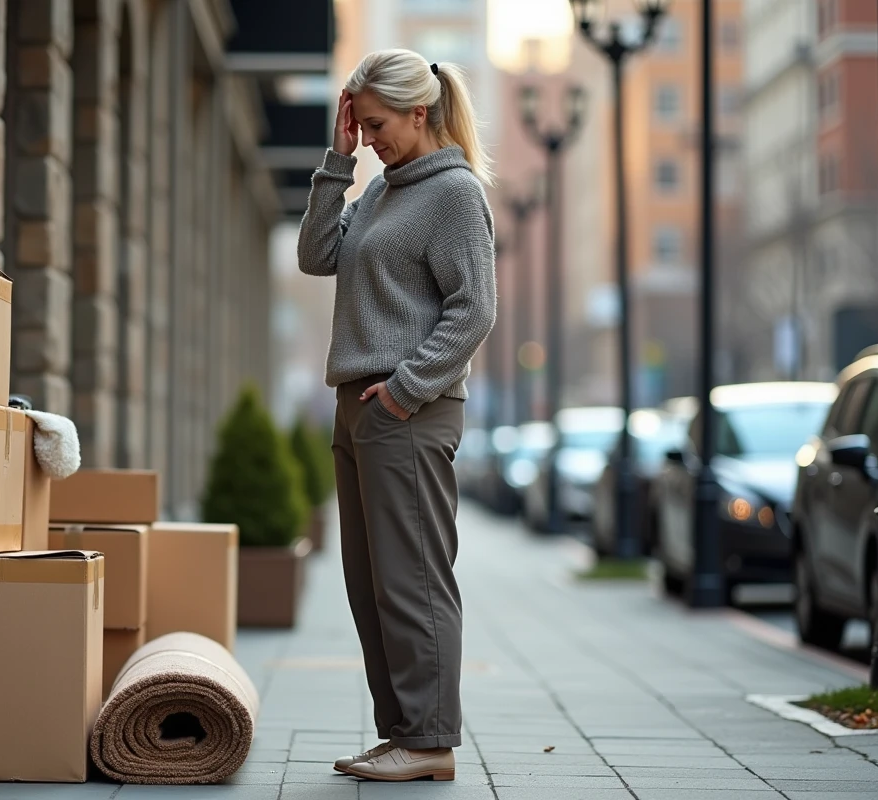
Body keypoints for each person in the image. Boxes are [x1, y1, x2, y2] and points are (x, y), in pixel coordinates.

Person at [296, 48, 497, 783]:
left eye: (378, 125)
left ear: (421, 112)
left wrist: (408, 388)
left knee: (413, 580)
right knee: (369, 583)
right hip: (362, 409)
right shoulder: (383, 191)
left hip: (406, 409)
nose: (371, 137)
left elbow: (475, 308)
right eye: (363, 125)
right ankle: (404, 732)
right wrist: (338, 159)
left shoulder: (452, 194)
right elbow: (317, 257)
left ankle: (432, 738)